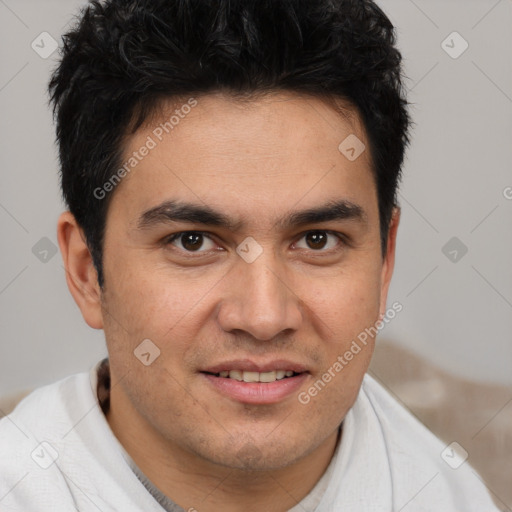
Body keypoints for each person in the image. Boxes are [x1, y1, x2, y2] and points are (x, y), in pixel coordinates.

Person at [0, 0, 499, 510]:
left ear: (384, 261)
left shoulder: (448, 494)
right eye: (192, 241)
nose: (264, 317)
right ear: (87, 273)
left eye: (317, 240)